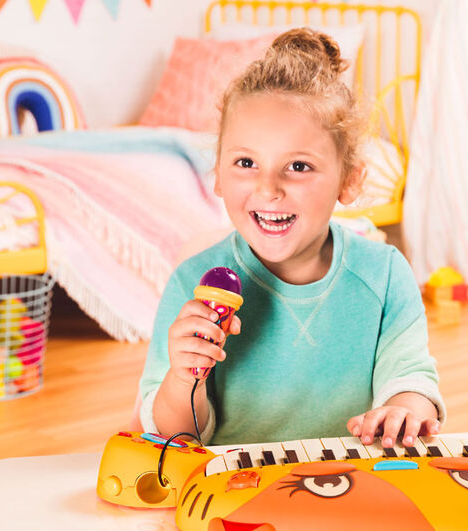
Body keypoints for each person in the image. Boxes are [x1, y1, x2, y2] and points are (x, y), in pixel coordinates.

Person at [138, 28, 445, 450]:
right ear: (219, 176)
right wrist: (183, 377)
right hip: (234, 490)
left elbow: (410, 378)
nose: (268, 188)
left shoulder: (385, 274)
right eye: (246, 162)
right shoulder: (190, 283)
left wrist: (403, 409)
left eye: (298, 166)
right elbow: (175, 437)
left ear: (349, 180)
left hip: (346, 484)